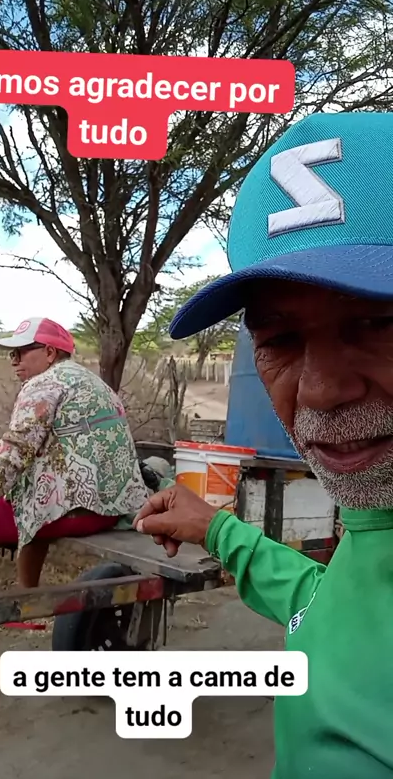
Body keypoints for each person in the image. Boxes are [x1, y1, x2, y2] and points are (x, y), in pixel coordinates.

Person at [134, 111, 393, 777]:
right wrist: (219, 531)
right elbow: (337, 612)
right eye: (279, 340)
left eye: (378, 322)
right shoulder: (375, 521)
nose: (319, 392)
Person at [0, 317, 148, 595]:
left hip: (76, 512)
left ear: (49, 352)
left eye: (22, 352)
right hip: (112, 508)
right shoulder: (90, 381)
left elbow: (12, 453)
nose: (14, 360)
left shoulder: (44, 385)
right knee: (21, 498)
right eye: (12, 354)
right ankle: (27, 598)